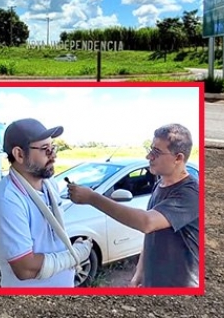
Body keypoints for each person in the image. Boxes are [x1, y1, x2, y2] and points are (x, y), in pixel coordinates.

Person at [67, 123, 199, 288]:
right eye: (150, 149)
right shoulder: (160, 185)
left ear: (178, 158)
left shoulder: (191, 193)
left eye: (156, 152)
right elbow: (151, 236)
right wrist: (139, 273)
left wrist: (92, 198)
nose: (149, 157)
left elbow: (146, 223)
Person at [0, 118, 92, 287]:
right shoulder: (6, 201)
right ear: (19, 154)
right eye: (45, 150)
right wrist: (76, 255)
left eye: (53, 148)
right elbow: (25, 269)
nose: (53, 156)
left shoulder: (49, 184)